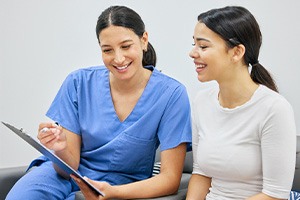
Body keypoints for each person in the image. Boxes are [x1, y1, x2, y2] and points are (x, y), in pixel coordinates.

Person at [6, 5, 192, 200]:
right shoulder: (78, 83)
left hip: (120, 186)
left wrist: (114, 193)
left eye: (126, 46)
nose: (118, 58)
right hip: (62, 176)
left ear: (144, 40)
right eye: (107, 50)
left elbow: (170, 180)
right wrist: (60, 149)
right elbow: (67, 168)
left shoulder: (171, 95)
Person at [186, 6, 297, 200]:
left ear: (237, 52)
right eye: (194, 44)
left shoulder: (274, 109)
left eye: (203, 46)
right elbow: (201, 173)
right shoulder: (201, 101)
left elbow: (275, 195)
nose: (192, 53)